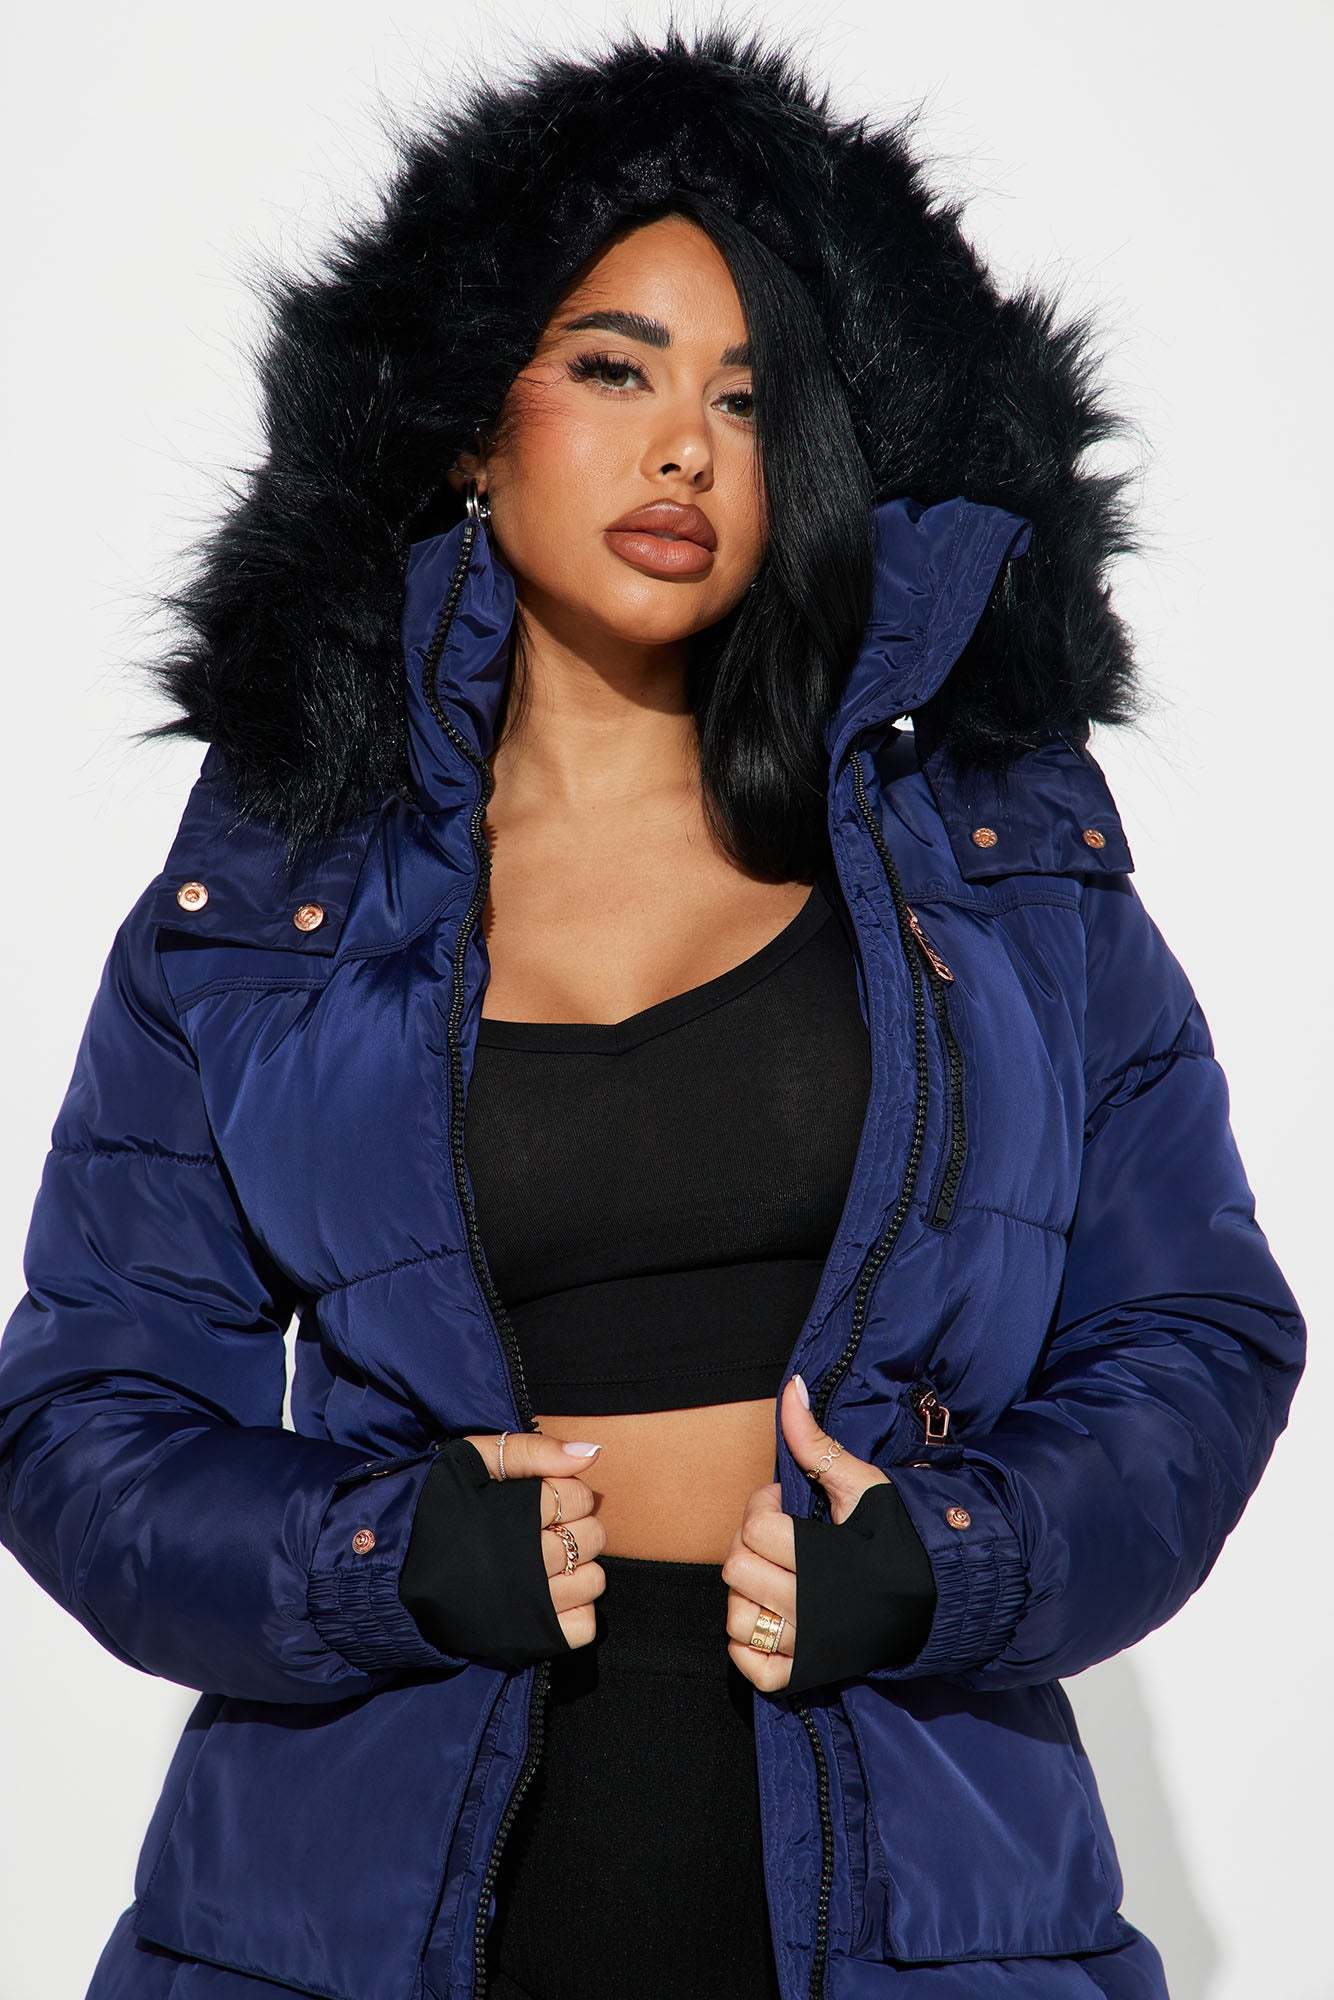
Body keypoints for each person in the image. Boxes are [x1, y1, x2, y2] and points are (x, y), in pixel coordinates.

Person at [0, 24, 1306, 2000]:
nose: (685, 446)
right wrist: (375, 1552)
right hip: (371, 1873)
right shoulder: (264, 907)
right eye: (613, 369)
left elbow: (1190, 1329)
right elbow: (84, 1415)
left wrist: (954, 1557)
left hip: (902, 1854)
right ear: (469, 427)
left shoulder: (992, 858)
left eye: (746, 397)